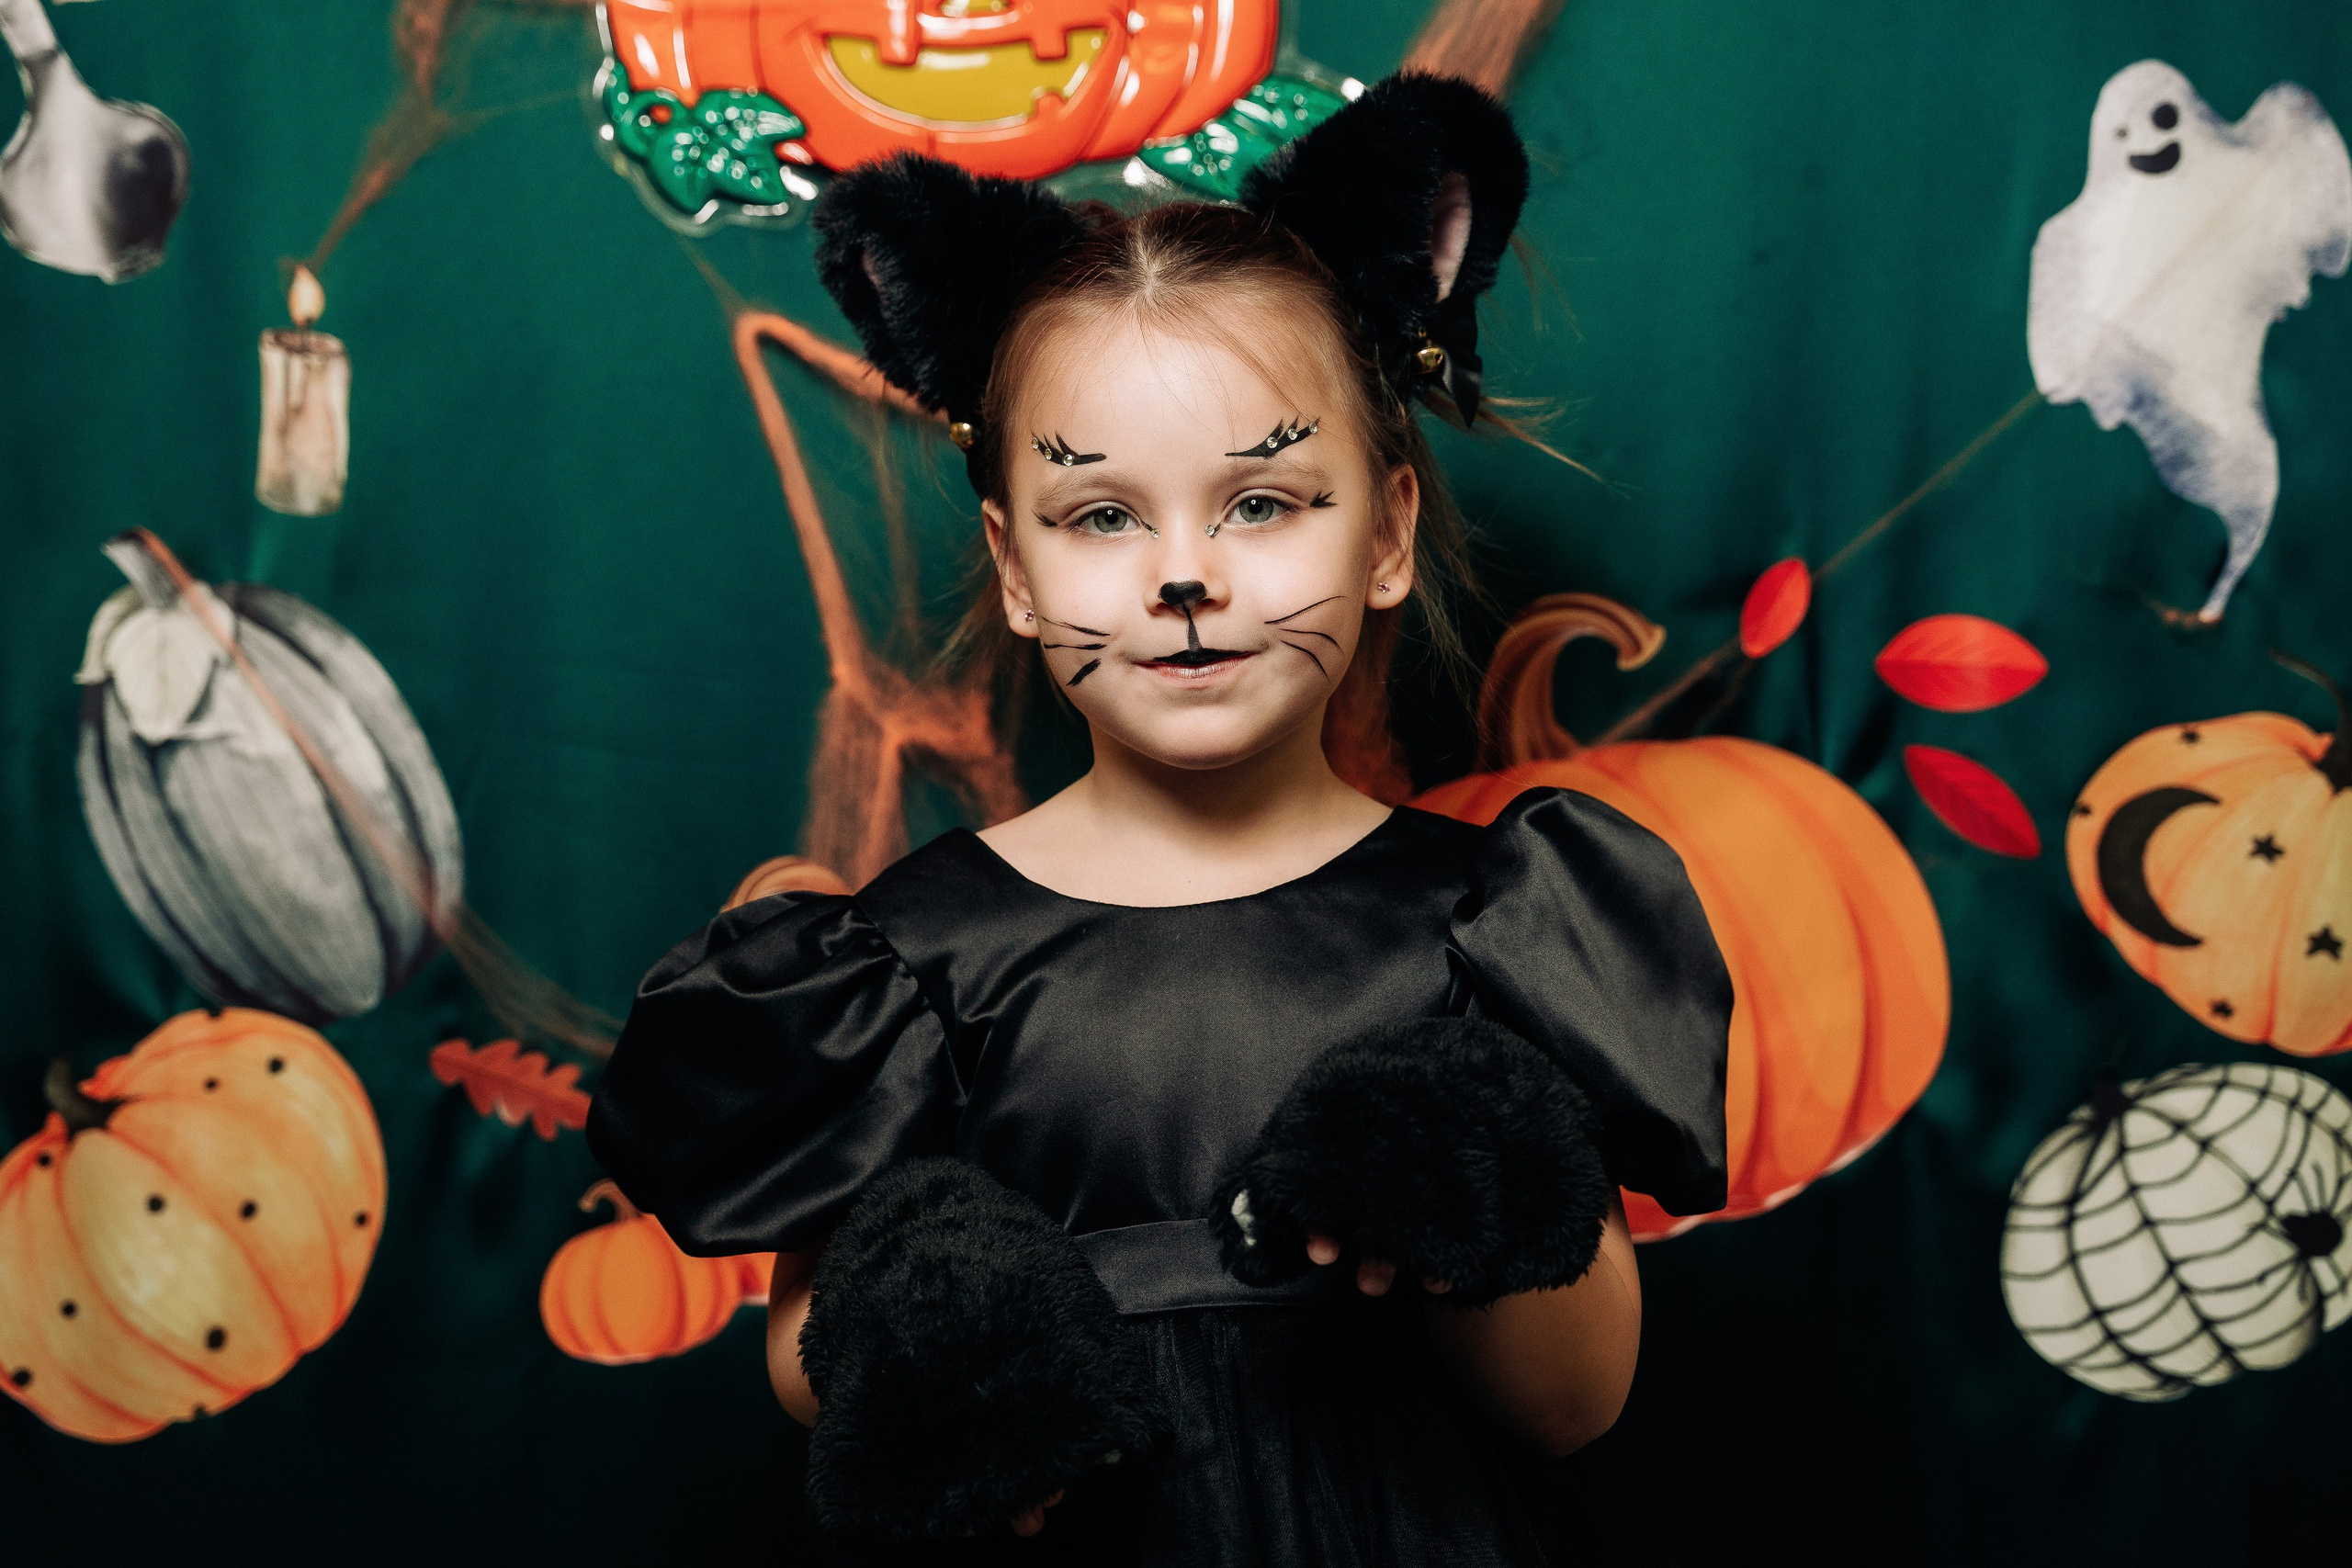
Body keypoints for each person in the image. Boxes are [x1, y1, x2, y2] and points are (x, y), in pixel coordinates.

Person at [587, 74, 1730, 1565]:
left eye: (1262, 504)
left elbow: (1575, 1404)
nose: (1183, 575)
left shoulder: (1496, 926)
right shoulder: (908, 963)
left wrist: (1476, 1188)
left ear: (1384, 534)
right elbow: (805, 1369)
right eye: (1103, 514)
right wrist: (937, 1335)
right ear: (1012, 564)